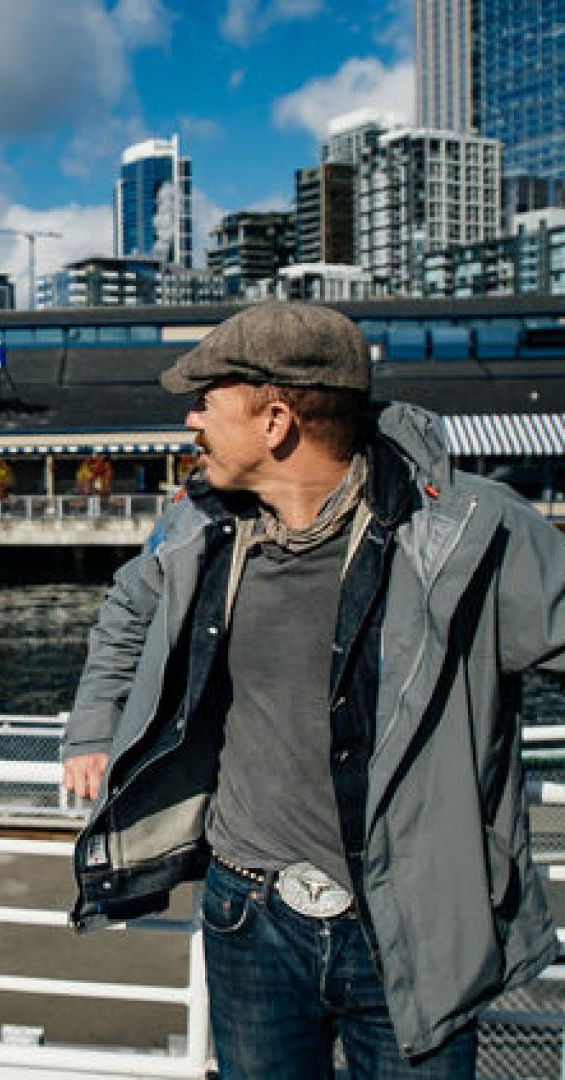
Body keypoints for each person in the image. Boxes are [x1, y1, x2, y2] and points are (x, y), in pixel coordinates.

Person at [60, 301, 564, 1077]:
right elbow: (128, 607)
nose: (190, 421)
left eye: (205, 401)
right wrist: (94, 730)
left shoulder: (471, 531)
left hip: (413, 926)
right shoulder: (201, 525)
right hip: (247, 916)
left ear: (276, 420)